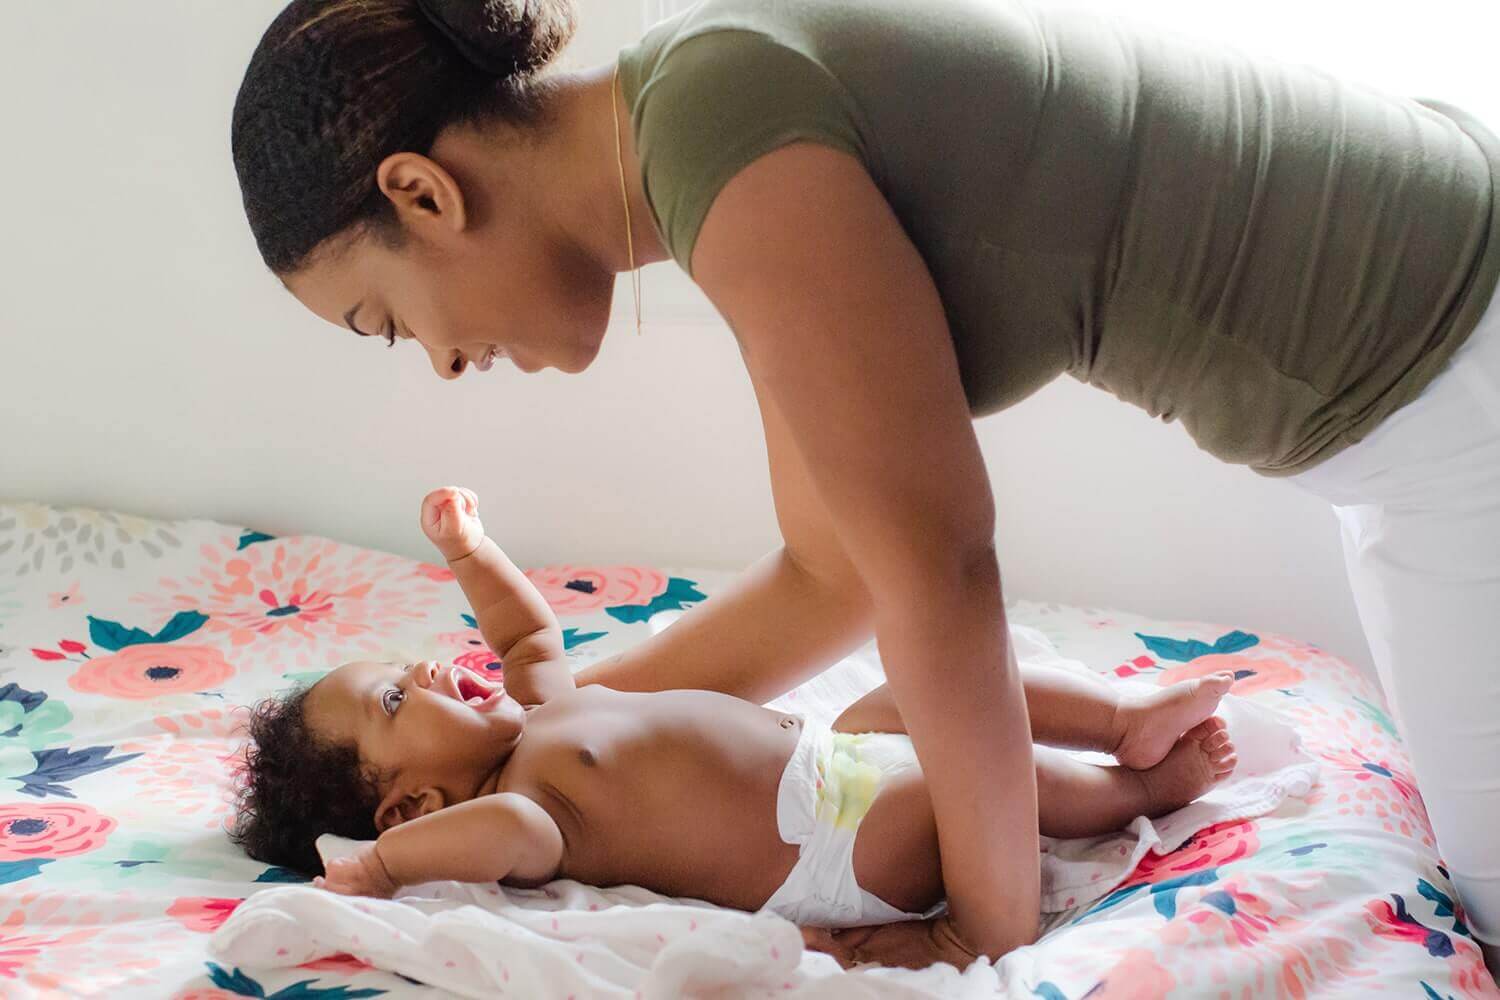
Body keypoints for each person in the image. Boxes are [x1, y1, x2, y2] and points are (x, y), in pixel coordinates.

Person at [230, 0, 1500, 971]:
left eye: (388, 321)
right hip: (1421, 398)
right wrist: (533, 740)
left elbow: (938, 569)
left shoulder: (729, 148)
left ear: (422, 192)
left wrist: (985, 936)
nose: (445, 366)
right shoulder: (695, 107)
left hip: (1461, 376)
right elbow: (834, 572)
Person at [231, 487, 1238, 969]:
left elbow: (524, 629)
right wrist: (382, 866)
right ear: (414, 801)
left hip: (835, 760)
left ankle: (1122, 718)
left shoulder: (541, 706)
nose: (424, 670)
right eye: (398, 703)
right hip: (841, 848)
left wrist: (468, 550)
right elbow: (494, 845)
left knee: (918, 690)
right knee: (966, 772)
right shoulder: (531, 810)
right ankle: (1138, 790)